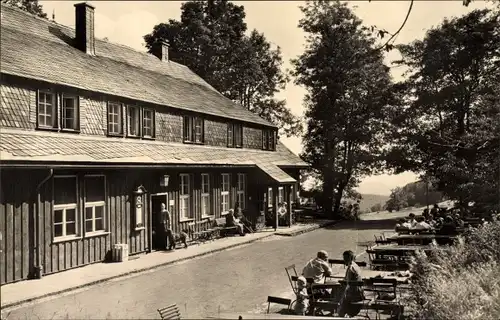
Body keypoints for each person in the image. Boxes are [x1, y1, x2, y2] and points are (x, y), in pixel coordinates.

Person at [338, 250, 365, 318]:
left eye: (345, 259)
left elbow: (348, 284)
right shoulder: (355, 265)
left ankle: (339, 314)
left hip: (354, 295)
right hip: (359, 293)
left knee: (338, 294)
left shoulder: (350, 268)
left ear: (349, 258)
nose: (344, 260)